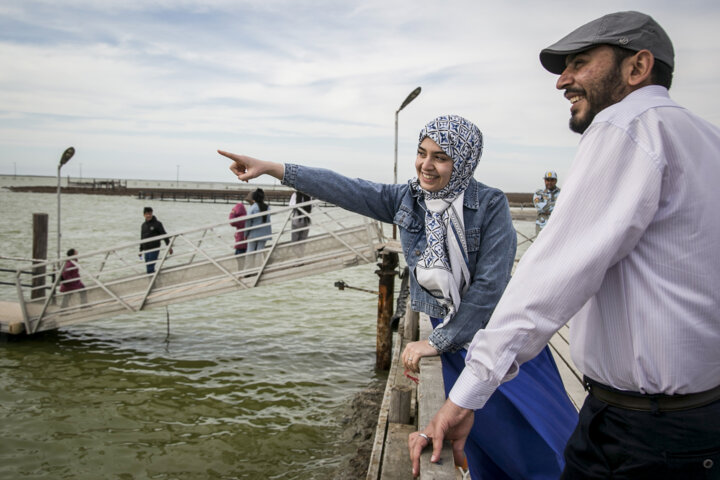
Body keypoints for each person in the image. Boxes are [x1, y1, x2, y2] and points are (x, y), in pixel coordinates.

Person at [409, 11, 720, 480]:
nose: (563, 81)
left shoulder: (627, 127)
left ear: (637, 67)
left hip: (642, 431)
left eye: (579, 63)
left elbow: (548, 280)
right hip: (701, 417)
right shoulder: (707, 138)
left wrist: (464, 396)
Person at [218, 115, 578, 479]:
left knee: (541, 445)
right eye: (421, 153)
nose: (426, 165)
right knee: (486, 449)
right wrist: (274, 169)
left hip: (500, 342)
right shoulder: (408, 199)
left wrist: (437, 340)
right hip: (451, 349)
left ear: (464, 160)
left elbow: (490, 288)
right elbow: (346, 188)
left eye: (440, 157)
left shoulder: (490, 204)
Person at [140, 207, 173, 274]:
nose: (148, 215)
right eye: (147, 214)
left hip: (154, 248)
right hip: (146, 249)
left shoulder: (157, 224)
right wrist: (140, 250)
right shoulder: (143, 225)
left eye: (150, 214)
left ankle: (152, 282)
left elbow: (164, 235)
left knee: (150, 267)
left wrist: (169, 246)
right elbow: (142, 238)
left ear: (152, 213)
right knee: (148, 267)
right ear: (144, 215)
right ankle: (152, 279)